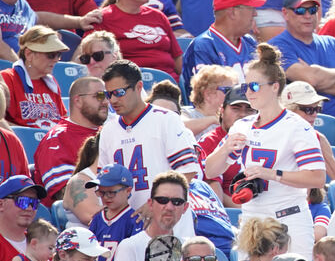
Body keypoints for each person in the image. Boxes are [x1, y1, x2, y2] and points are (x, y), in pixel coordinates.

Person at [203, 43, 326, 260]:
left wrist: (271, 174)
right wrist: (225, 150)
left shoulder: (297, 126)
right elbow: (210, 170)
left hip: (289, 220)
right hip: (252, 221)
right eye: (245, 87)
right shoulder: (242, 126)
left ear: (275, 87)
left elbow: (317, 178)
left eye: (255, 87)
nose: (249, 93)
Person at [97, 59, 199, 233]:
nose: (113, 100)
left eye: (120, 92)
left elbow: (187, 172)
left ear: (138, 87)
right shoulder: (108, 130)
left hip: (169, 224)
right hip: (127, 224)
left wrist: (155, 205)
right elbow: (105, 183)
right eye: (108, 94)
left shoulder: (166, 119)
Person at [108, 170, 192, 261]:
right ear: (151, 204)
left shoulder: (193, 247)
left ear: (185, 207)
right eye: (162, 200)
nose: (169, 207)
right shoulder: (130, 246)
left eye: (177, 202)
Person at [92, 0, 182, 78]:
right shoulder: (103, 18)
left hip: (170, 85)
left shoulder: (158, 16)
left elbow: (177, 58)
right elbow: (92, 62)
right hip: (132, 85)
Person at [33, 76, 107, 207]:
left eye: (107, 95)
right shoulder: (57, 139)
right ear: (78, 101)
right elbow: (65, 193)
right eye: (99, 96)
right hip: (75, 218)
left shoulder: (109, 133)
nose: (106, 101)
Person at [0, 26, 68, 129]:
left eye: (58, 54)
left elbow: (62, 120)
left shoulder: (51, 83)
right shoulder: (7, 78)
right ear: (29, 54)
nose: (56, 60)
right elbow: (2, 123)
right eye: (50, 55)